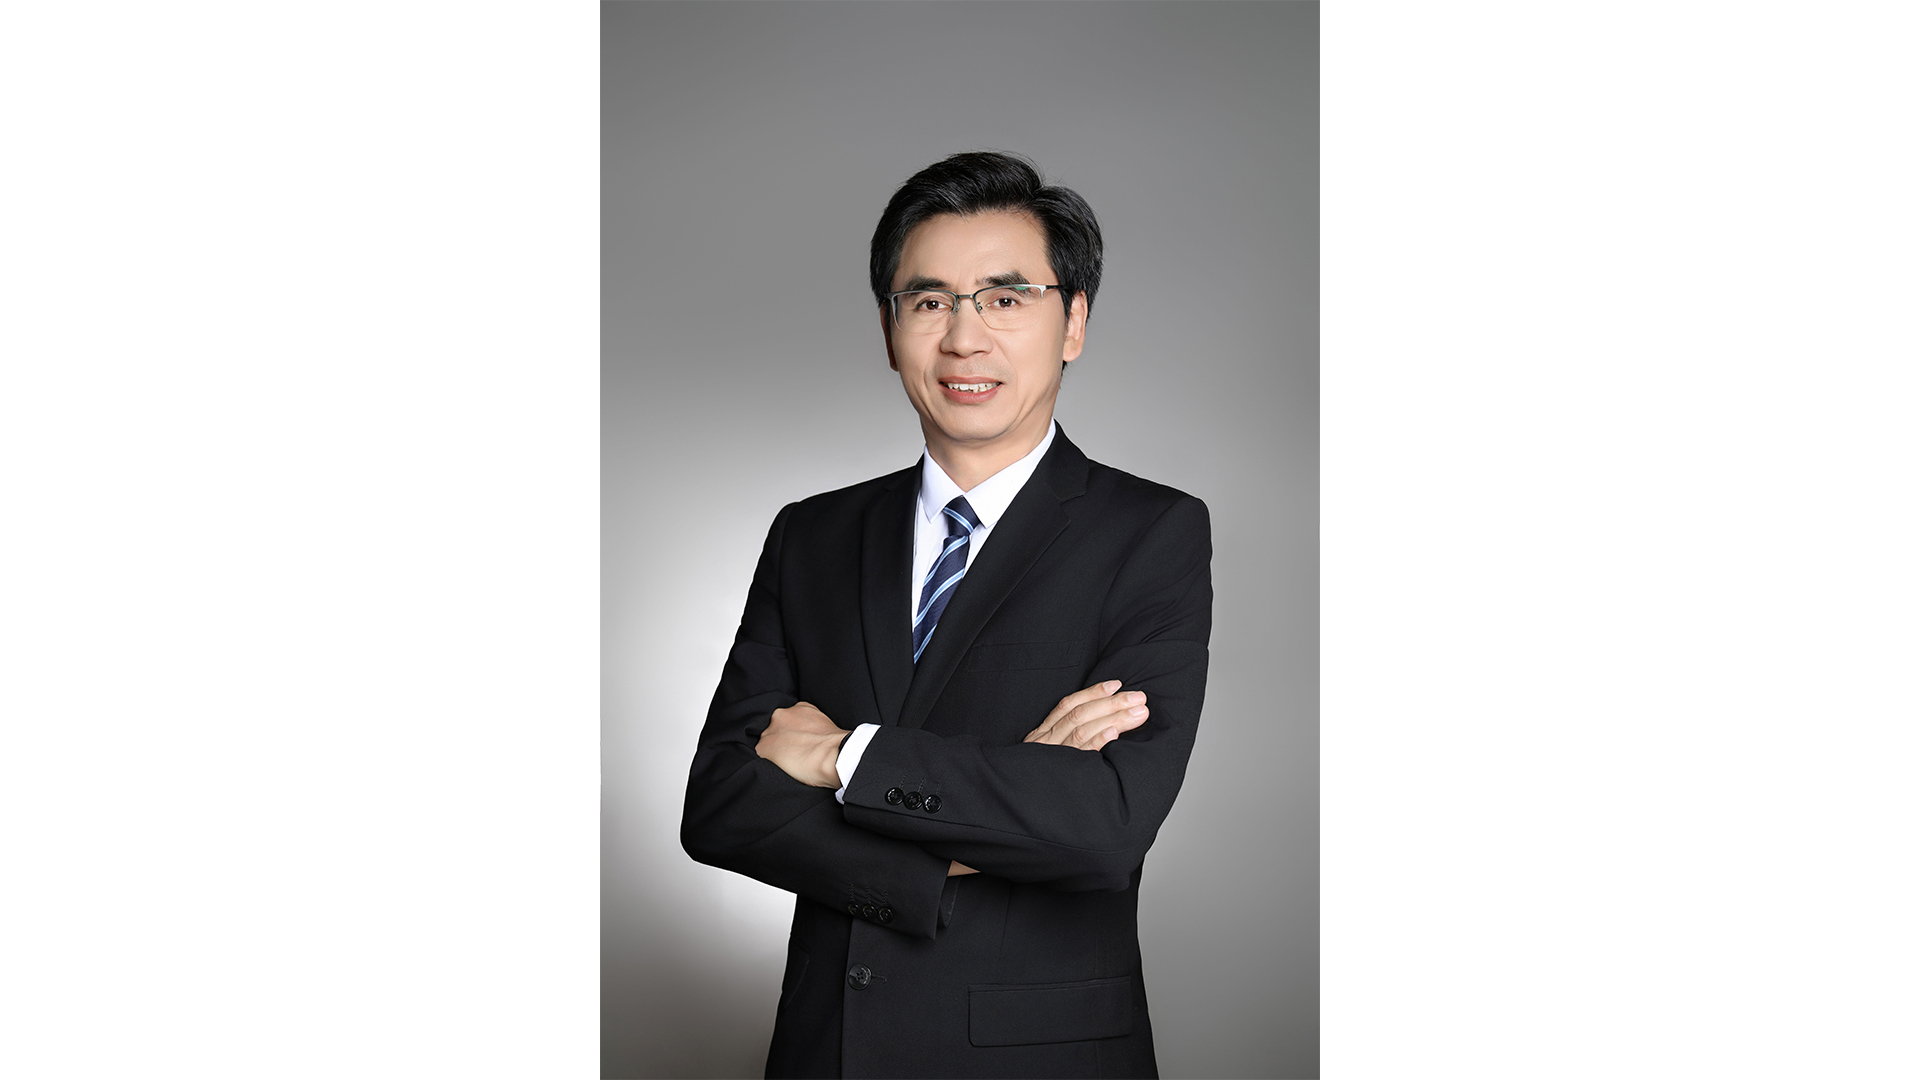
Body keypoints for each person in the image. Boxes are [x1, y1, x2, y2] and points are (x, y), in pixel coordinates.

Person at [680, 150, 1212, 1079]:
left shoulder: (1151, 531)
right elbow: (720, 804)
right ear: (890, 332)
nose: (965, 339)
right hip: (828, 1051)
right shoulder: (812, 534)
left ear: (1073, 322)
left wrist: (845, 757)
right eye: (929, 301)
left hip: (1038, 1060)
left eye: (1005, 298)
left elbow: (1102, 826)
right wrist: (988, 822)